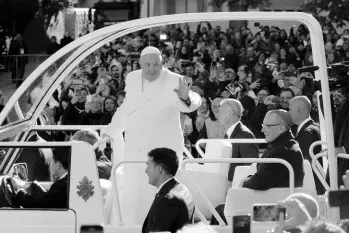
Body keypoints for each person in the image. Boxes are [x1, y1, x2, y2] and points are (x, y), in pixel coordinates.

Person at [97, 46, 201, 224]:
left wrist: (185, 97)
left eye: (156, 64)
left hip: (163, 149)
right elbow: (126, 109)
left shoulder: (173, 79)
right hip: (137, 149)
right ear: (140, 64)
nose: (152, 69)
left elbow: (194, 101)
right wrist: (109, 132)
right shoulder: (133, 78)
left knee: (162, 195)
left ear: (162, 63)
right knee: (135, 194)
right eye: (147, 65)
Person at [241, 109, 305, 189]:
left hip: (275, 199)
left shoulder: (282, 151)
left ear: (281, 128)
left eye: (267, 126)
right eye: (263, 126)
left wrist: (244, 182)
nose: (262, 130)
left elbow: (261, 183)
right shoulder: (282, 145)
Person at [142, 148, 194, 233]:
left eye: (148, 166)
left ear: (159, 169)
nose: (146, 170)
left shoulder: (166, 201)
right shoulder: (181, 188)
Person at [215, 98, 259, 188]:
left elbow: (250, 168)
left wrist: (236, 185)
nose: (217, 115)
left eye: (219, 112)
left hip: (236, 188)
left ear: (230, 113)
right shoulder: (229, 134)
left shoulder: (244, 135)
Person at [289, 96, 325, 194]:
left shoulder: (306, 132)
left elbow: (305, 165)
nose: (289, 112)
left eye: (290, 109)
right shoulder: (315, 127)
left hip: (313, 189)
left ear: (298, 109)